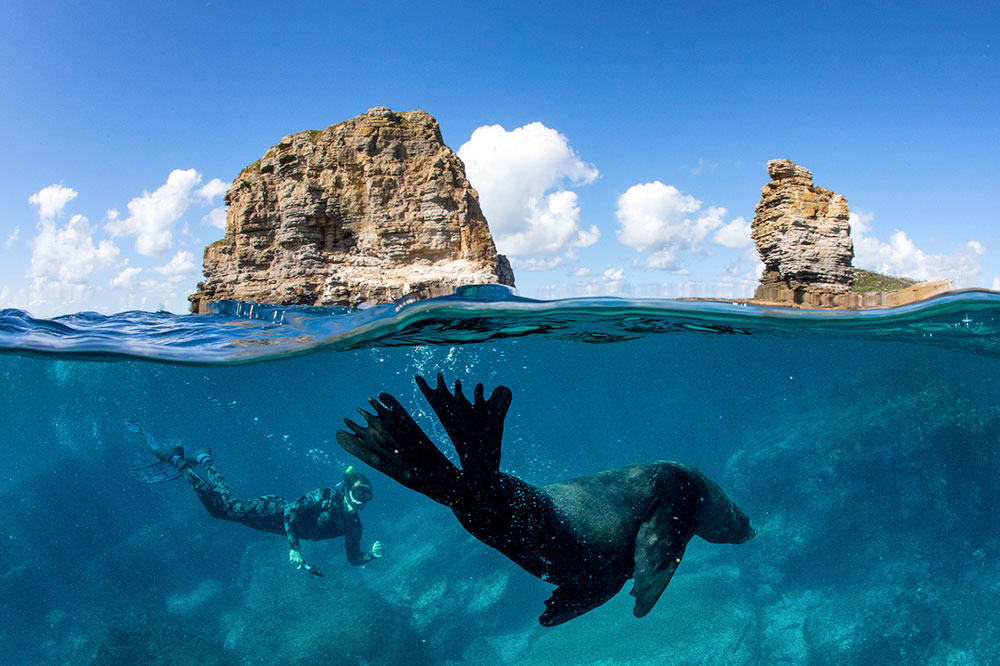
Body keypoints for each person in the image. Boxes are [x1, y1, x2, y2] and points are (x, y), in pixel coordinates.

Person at [156, 445, 383, 577]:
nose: (362, 501)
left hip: (276, 527)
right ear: (346, 490)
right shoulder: (327, 496)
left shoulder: (354, 526)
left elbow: (353, 558)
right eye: (359, 493)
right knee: (226, 508)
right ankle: (179, 460)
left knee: (222, 511)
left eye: (368, 496)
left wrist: (371, 555)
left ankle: (203, 458)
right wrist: (295, 549)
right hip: (275, 511)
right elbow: (291, 510)